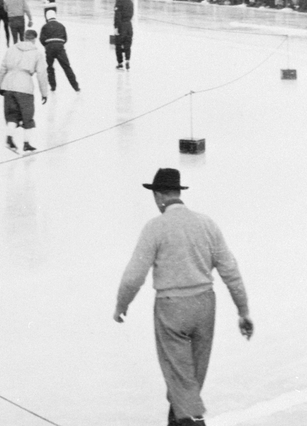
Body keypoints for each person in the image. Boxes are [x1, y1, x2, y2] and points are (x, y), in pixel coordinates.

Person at [113, 168, 253, 426]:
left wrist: (122, 305)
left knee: (181, 383)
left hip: (172, 309)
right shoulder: (207, 224)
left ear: (157, 196)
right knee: (189, 382)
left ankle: (191, 421)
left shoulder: (155, 227)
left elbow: (134, 275)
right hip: (205, 306)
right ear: (178, 193)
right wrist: (243, 311)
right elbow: (230, 271)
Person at [0, 28, 49, 152]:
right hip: (24, 88)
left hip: (8, 85)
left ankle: (9, 139)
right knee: (27, 116)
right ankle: (26, 144)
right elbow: (42, 74)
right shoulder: (37, 53)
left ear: (24, 37)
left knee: (12, 115)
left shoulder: (12, 49)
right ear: (34, 39)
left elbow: (3, 68)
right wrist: (44, 93)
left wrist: (0, 85)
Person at [38, 11, 79, 92]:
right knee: (66, 67)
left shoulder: (45, 26)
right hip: (60, 47)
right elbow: (65, 38)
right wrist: (60, 44)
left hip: (49, 47)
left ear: (47, 17)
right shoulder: (61, 26)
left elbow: (41, 39)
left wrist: (46, 46)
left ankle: (53, 86)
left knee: (50, 67)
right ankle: (75, 87)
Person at [113, 0, 134, 70]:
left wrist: (116, 27)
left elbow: (117, 16)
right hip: (129, 25)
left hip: (121, 25)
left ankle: (120, 62)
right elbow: (131, 13)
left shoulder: (119, 1)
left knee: (118, 44)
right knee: (127, 44)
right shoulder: (129, 0)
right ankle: (128, 60)